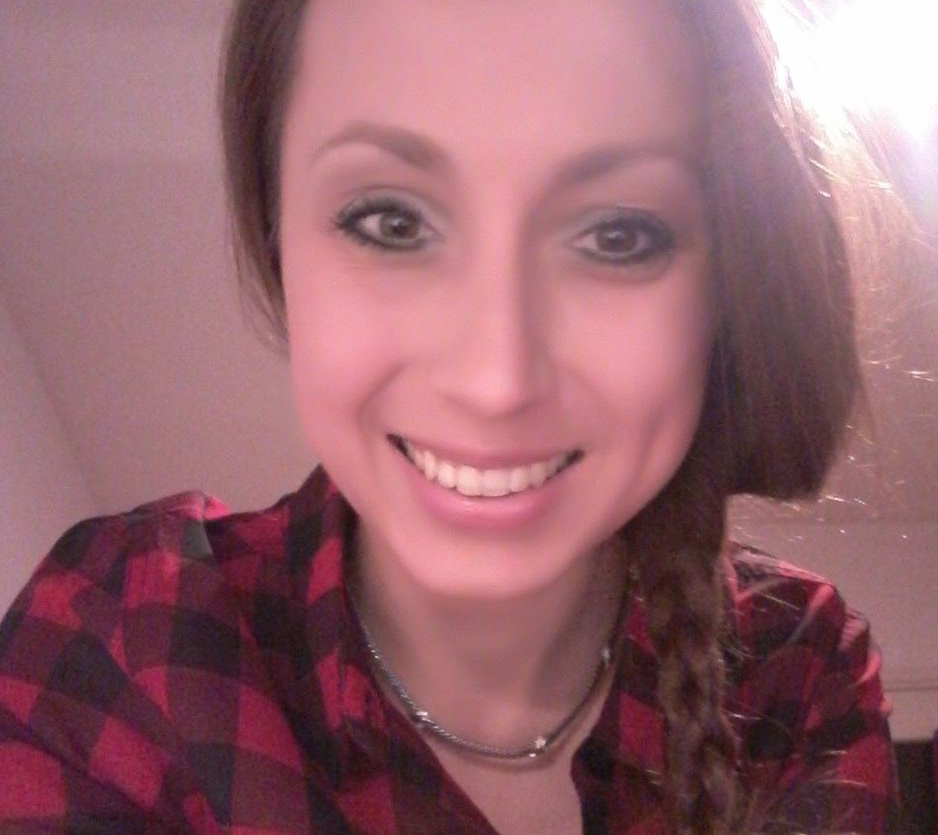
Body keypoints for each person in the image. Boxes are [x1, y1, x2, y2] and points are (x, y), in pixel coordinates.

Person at [0, 0, 902, 833]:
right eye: (392, 222)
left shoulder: (800, 673)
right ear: (279, 239)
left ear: (726, 294)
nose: (495, 379)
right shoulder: (122, 646)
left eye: (617, 235)